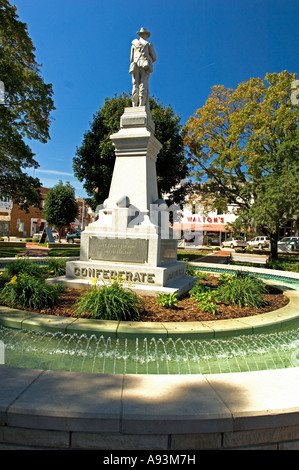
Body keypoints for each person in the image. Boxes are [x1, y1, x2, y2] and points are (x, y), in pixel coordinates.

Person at [129, 27, 157, 109]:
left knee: (135, 85)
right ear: (146, 35)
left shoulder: (134, 44)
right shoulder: (148, 44)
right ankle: (141, 104)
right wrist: (148, 59)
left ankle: (134, 105)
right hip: (145, 65)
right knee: (143, 84)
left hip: (135, 65)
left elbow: (131, 58)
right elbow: (154, 57)